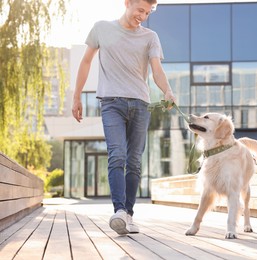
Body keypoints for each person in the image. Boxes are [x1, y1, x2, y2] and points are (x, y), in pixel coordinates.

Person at [72, 0, 176, 235]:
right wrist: (77, 97)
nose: (143, 16)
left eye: (148, 12)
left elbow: (156, 70)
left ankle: (128, 214)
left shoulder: (150, 37)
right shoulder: (101, 28)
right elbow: (86, 61)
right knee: (116, 155)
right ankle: (119, 211)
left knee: (135, 162)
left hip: (140, 104)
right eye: (140, 10)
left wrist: (167, 90)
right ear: (127, 3)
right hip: (111, 103)